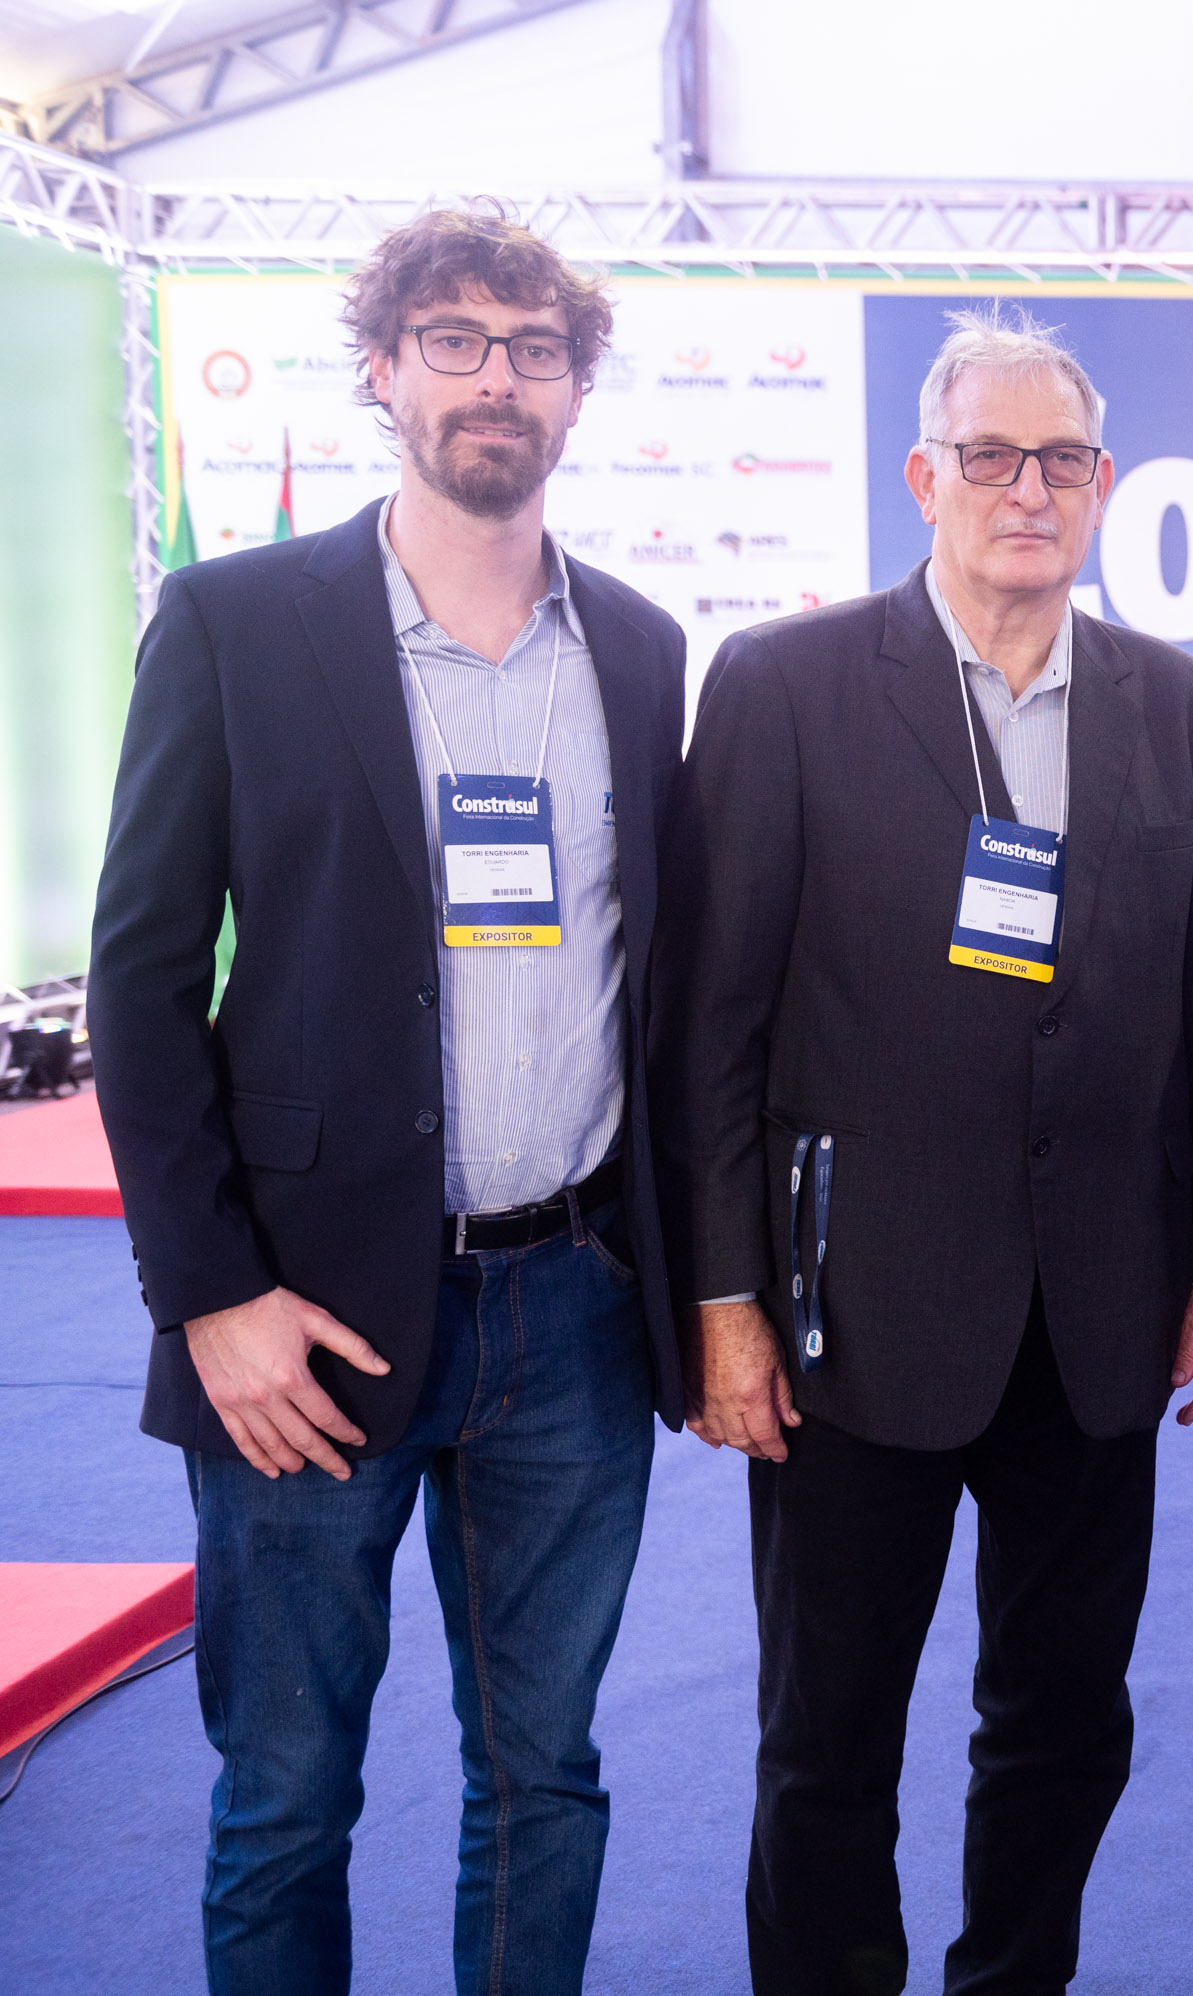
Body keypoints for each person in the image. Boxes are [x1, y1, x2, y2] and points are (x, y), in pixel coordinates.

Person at [88, 206, 686, 1991]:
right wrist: (210, 1297)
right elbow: (138, 982)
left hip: (575, 1312)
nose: (497, 377)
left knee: (546, 1779)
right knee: (285, 1798)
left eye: (534, 348)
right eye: (455, 341)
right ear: (382, 367)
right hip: (304, 1318)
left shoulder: (643, 650)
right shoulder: (234, 623)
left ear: (576, 388)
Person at [657, 305, 1193, 1995]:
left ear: (1103, 484)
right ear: (924, 479)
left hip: (1100, 1318)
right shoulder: (784, 687)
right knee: (827, 1737)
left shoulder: (1181, 705)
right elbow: (713, 1029)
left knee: (1066, 1719)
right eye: (991, 457)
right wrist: (721, 1300)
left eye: (1062, 460)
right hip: (850, 1323)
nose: (1029, 490)